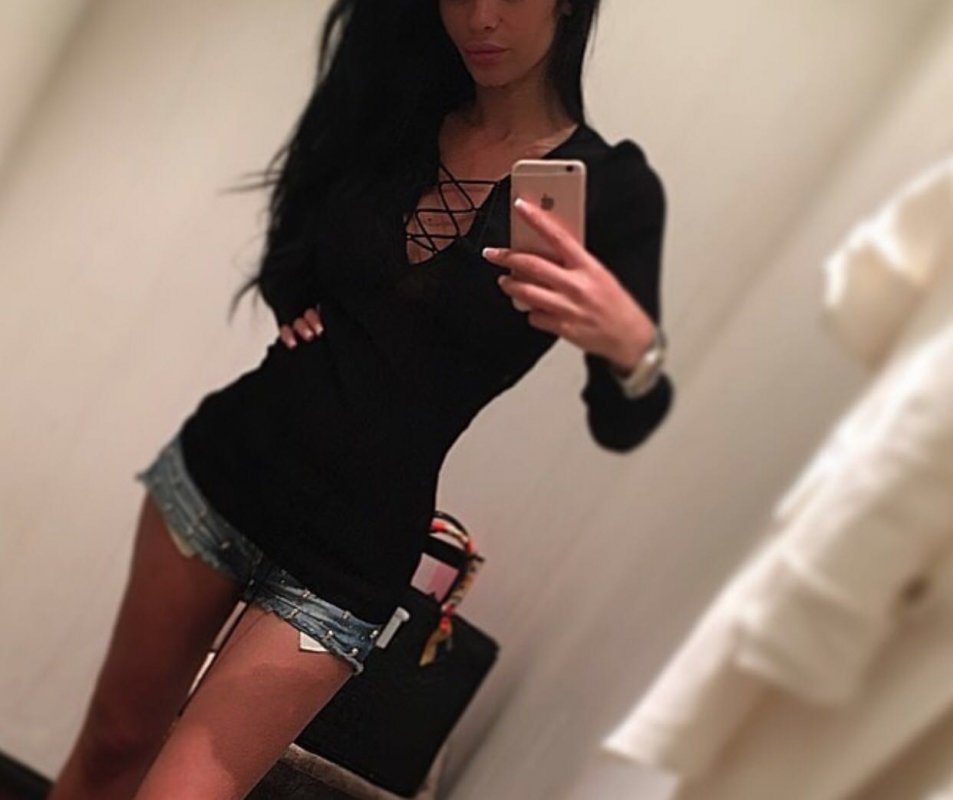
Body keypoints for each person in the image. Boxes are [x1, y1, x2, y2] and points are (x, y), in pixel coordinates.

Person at [49, 0, 674, 797]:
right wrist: (292, 296)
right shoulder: (398, 112)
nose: (480, 18)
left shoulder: (614, 192)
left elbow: (623, 421)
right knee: (113, 746)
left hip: (350, 553)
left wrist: (632, 347)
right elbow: (300, 231)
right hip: (220, 475)